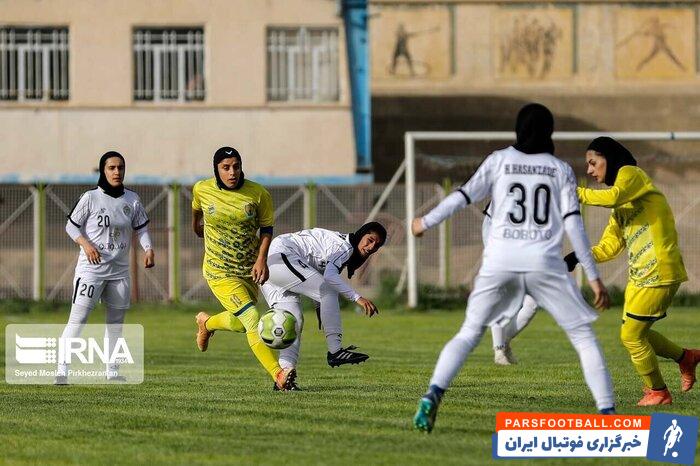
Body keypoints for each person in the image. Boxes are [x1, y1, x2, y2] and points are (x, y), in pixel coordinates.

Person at [411, 103, 616, 433]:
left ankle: (432, 395)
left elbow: (462, 197)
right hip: (544, 263)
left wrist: (426, 221)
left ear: (518, 130)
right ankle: (607, 416)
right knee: (583, 337)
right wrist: (593, 277)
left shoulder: (499, 160)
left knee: (468, 332)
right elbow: (573, 225)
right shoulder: (559, 169)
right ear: (549, 132)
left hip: (500, 259)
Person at [566, 136, 700, 406]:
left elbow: (613, 195)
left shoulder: (631, 175)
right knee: (639, 333)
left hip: (659, 271)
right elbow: (609, 246)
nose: (590, 171)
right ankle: (686, 357)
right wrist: (575, 256)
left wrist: (572, 192)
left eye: (593, 163)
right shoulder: (621, 203)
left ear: (610, 158)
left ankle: (658, 392)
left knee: (631, 337)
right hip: (640, 276)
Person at [192, 147, 296, 391]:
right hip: (219, 271)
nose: (232, 172)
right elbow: (197, 209)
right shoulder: (202, 188)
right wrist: (196, 226)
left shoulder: (258, 193)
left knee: (240, 324)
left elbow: (267, 229)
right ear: (216, 170)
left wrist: (261, 260)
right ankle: (278, 374)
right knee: (251, 318)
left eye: (236, 166)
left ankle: (206, 324)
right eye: (225, 167)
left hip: (248, 270)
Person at [55, 151, 155, 384]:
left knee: (116, 323)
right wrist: (86, 245)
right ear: (103, 171)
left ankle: (112, 372)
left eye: (120, 167)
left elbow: (141, 228)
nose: (117, 172)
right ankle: (62, 370)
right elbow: (71, 227)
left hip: (119, 273)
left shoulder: (133, 200)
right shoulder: (90, 198)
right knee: (78, 320)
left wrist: (148, 249)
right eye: (111, 168)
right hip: (91, 271)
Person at [260, 223, 386, 389]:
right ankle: (335, 351)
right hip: (280, 256)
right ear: (361, 234)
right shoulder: (343, 247)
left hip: (276, 262)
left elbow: (314, 270)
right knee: (328, 289)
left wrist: (321, 306)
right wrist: (358, 298)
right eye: (369, 240)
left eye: (376, 246)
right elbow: (329, 277)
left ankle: (284, 377)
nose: (371, 247)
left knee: (293, 321)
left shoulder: (342, 247)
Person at [482, 202, 539, 365]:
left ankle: (504, 341)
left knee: (533, 302)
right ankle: (499, 351)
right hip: (498, 231)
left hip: (529, 237)